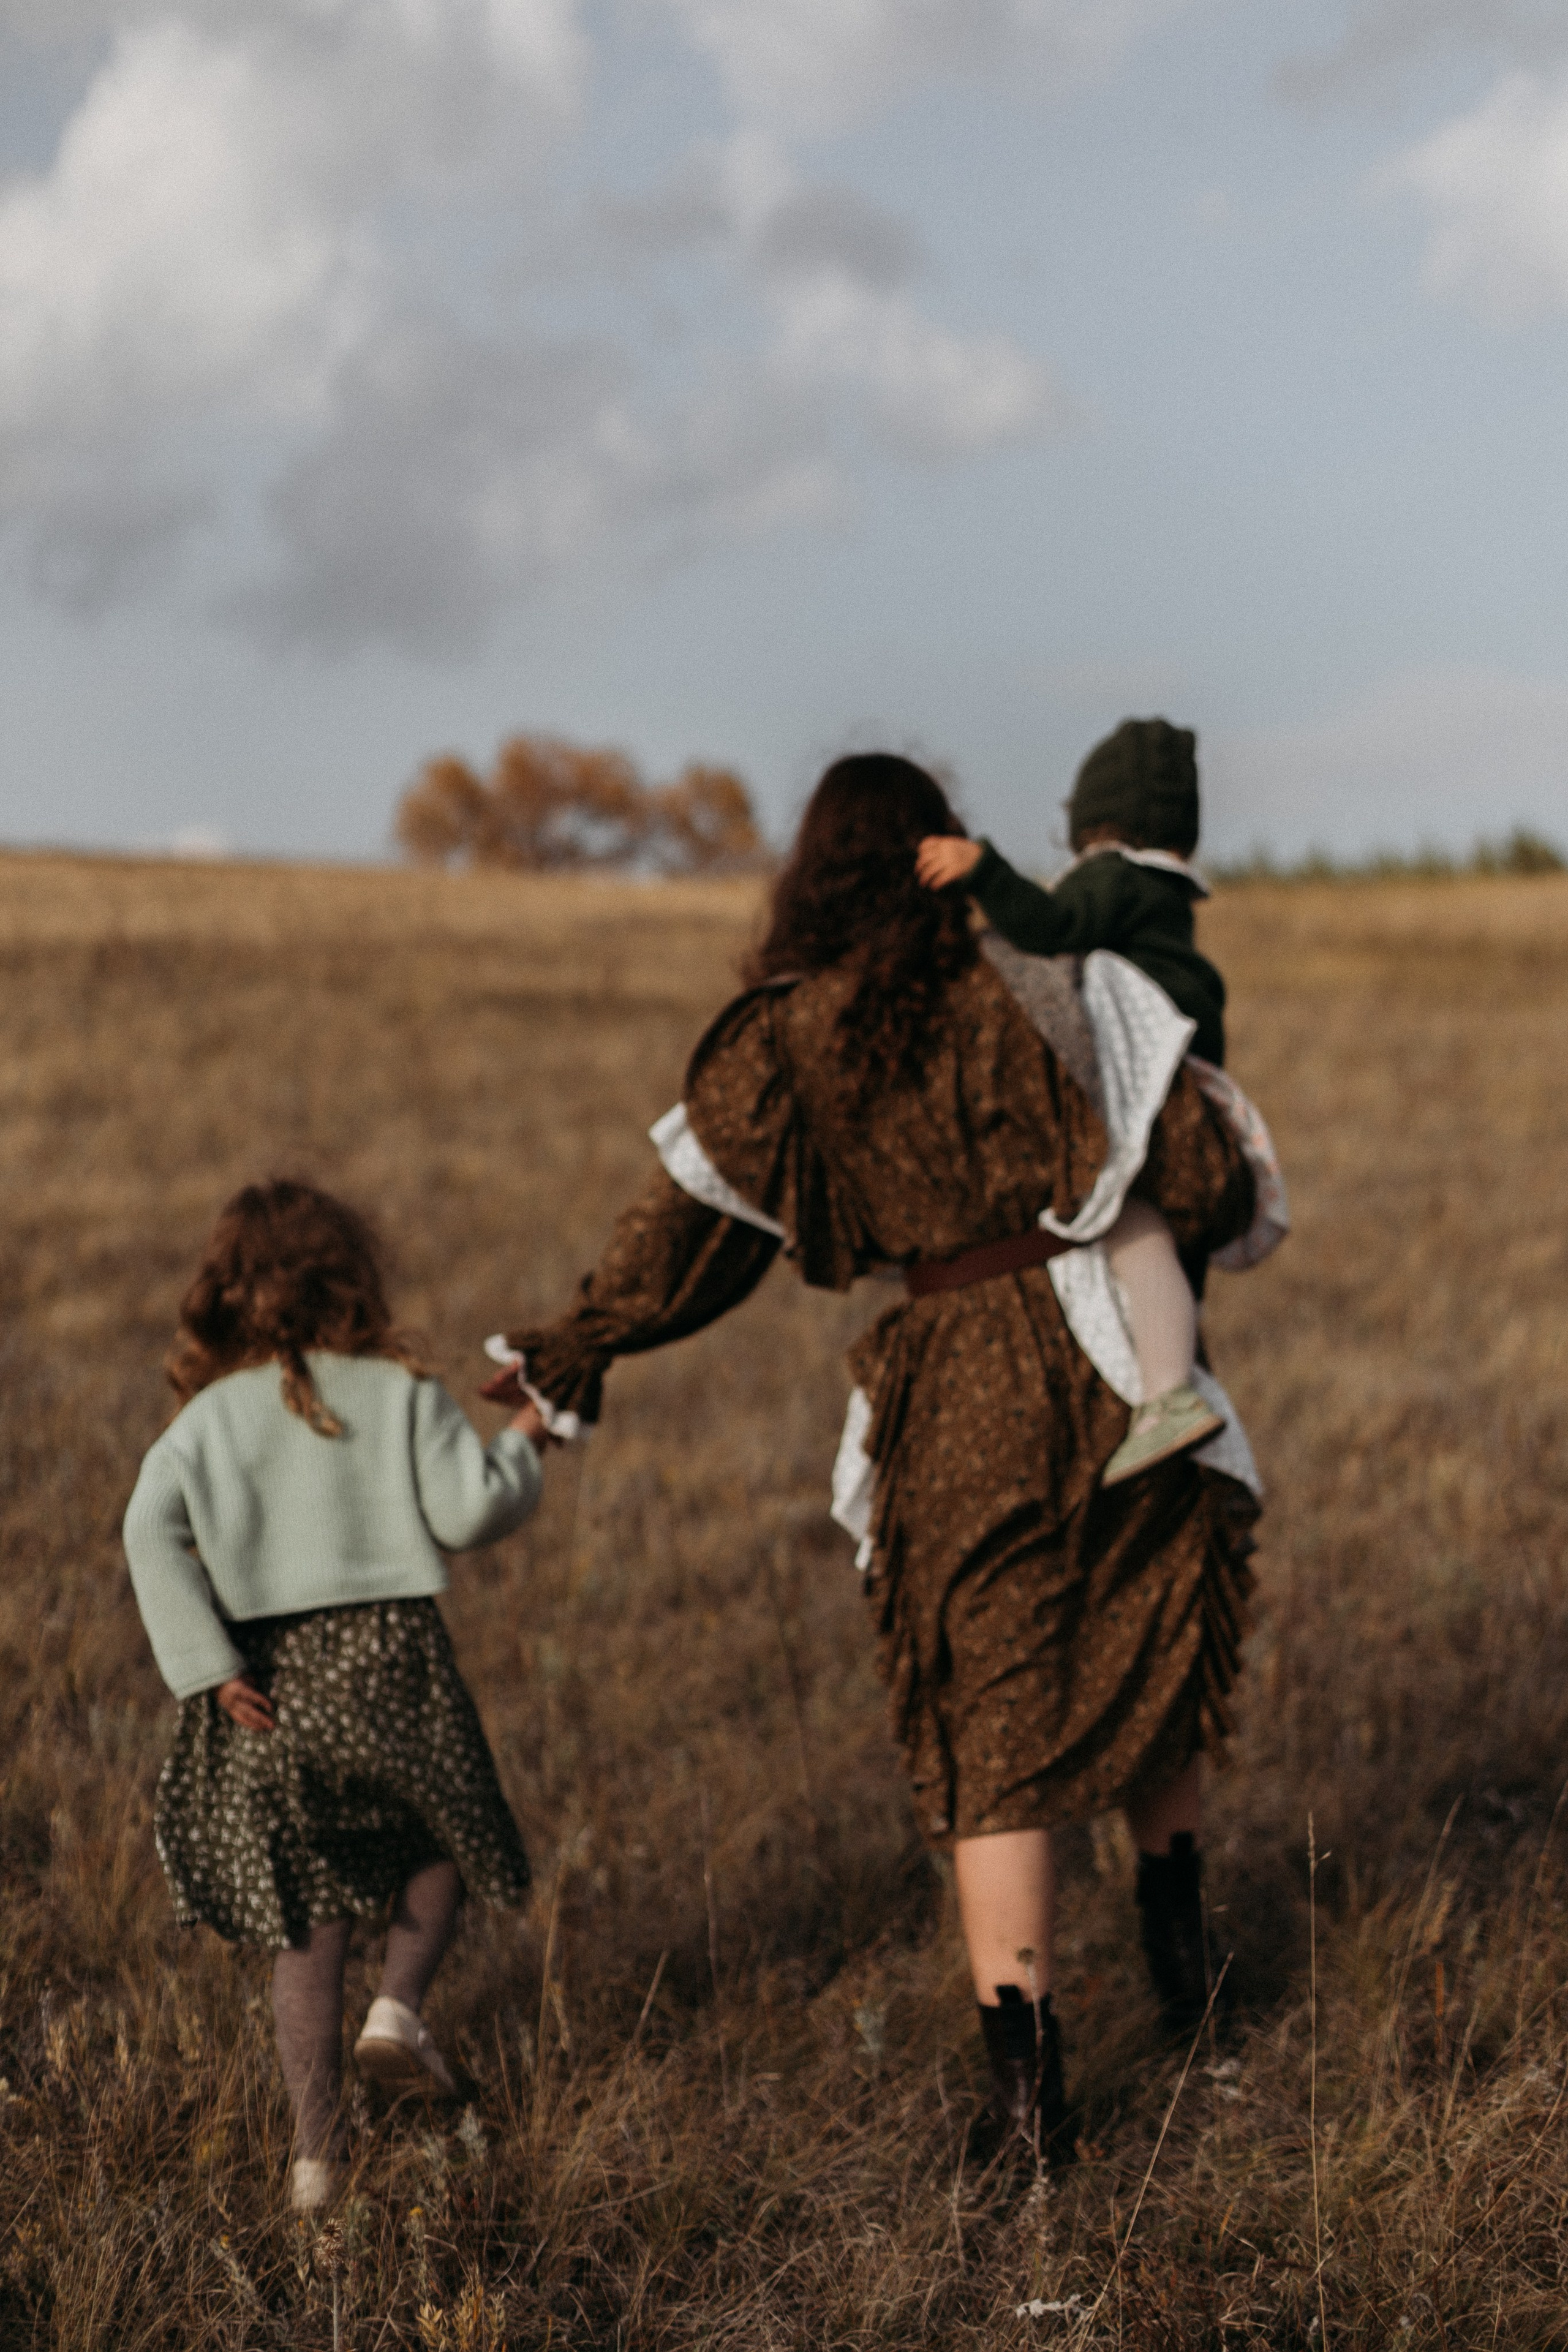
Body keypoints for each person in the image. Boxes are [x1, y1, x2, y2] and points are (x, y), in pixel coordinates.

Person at [482, 752, 1265, 2167]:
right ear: (938, 854)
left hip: (955, 1388)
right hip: (1112, 1362)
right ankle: (1183, 1967)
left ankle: (1028, 2103)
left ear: (813, 874)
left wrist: (570, 1345)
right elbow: (1201, 1174)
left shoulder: (789, 1044)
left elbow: (691, 1241)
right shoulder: (1046, 985)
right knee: (1148, 1636)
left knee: (994, 1727)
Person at [123, 1180, 546, 2213]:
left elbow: (147, 1530)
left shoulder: (207, 1419)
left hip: (269, 1680)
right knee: (441, 1837)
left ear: (224, 1295)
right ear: (352, 1278)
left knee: (305, 1924)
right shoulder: (398, 1390)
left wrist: (210, 1665)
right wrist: (532, 1438)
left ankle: (318, 2160)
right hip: (394, 1663)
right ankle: (399, 2012)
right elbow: (470, 1511)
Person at [916, 717, 1229, 1487]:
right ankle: (1168, 1375)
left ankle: (1166, 1395)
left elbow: (1050, 926)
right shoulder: (1164, 893)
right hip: (1189, 1077)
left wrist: (983, 871)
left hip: (1144, 1081)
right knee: (1160, 1239)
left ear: (1093, 820)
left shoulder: (1111, 877)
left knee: (1126, 1214)